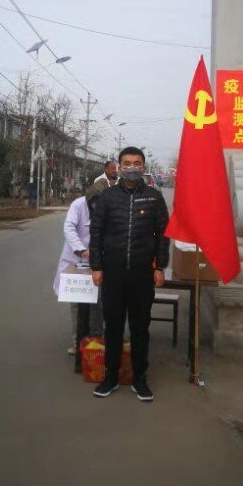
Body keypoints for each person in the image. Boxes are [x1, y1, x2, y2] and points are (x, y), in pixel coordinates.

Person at [89, 146, 169, 402]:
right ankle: (111, 376)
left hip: (142, 274)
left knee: (140, 327)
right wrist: (96, 266)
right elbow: (96, 233)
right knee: (112, 326)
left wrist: (160, 267)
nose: (132, 167)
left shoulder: (154, 197)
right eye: (126, 163)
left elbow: (163, 236)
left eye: (136, 163)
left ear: (143, 167)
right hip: (112, 273)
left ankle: (140, 378)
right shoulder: (108, 197)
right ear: (119, 167)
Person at [53, 195, 103, 355]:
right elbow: (69, 227)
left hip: (98, 262)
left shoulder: (109, 204)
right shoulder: (78, 205)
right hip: (76, 259)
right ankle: (78, 343)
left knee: (97, 302)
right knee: (76, 303)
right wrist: (80, 248)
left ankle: (96, 341)